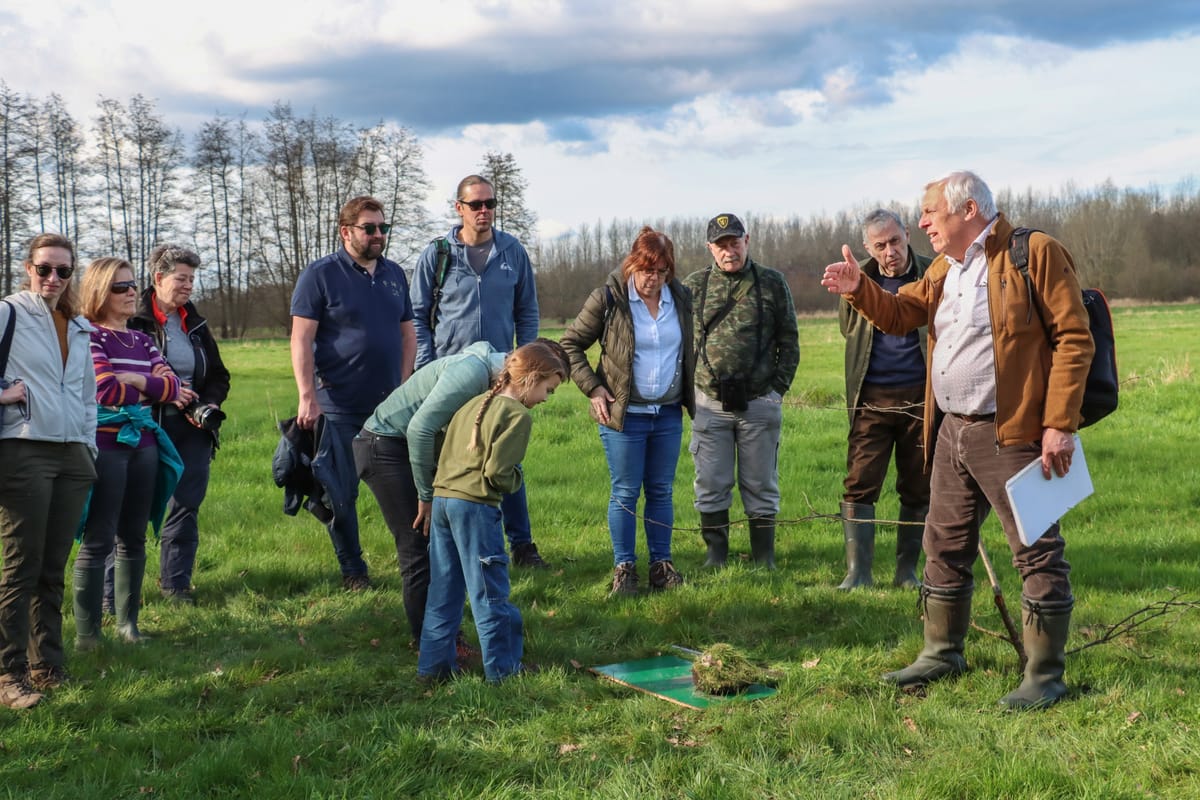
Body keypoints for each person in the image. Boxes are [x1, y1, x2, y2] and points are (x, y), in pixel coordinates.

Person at [820, 170, 1093, 710]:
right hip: (951, 431)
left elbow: (1073, 337)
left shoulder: (1033, 253)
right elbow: (903, 315)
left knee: (1037, 553)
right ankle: (942, 652)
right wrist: (861, 290)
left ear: (967, 210)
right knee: (942, 546)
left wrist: (1059, 424)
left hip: (1013, 433)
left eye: (929, 213)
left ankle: (1046, 676)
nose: (922, 223)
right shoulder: (945, 267)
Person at [410, 175, 548, 568]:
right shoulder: (437, 256)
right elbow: (417, 315)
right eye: (476, 205)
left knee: (507, 455)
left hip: (502, 375)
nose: (484, 211)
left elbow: (528, 310)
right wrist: (426, 362)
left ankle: (522, 545)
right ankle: (447, 545)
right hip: (453, 374)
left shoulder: (512, 251)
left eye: (490, 203)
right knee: (450, 457)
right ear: (459, 208)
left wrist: (528, 365)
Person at [416, 342, 565, 683]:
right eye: (548, 389)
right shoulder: (517, 415)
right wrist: (517, 478)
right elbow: (498, 472)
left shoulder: (473, 404)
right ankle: (504, 671)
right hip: (475, 508)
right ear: (530, 380)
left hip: (442, 501)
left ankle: (433, 670)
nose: (545, 398)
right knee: (490, 591)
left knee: (444, 592)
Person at [561, 226, 695, 596]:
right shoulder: (609, 298)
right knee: (625, 491)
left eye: (661, 271)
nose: (653, 279)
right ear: (632, 265)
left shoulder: (680, 299)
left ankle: (661, 566)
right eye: (646, 270)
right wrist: (593, 388)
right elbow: (570, 345)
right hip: (623, 415)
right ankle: (625, 569)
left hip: (667, 413)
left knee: (661, 491)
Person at [291, 196, 416, 590]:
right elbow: (301, 339)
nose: (379, 235)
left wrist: (404, 386)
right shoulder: (320, 275)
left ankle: (414, 564)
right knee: (341, 494)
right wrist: (307, 396)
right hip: (339, 405)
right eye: (370, 228)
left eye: (383, 228)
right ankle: (353, 570)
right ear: (346, 232)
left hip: (389, 407)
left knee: (404, 491)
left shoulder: (395, 273)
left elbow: (407, 332)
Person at [0, 234, 97, 707]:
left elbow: (85, 393)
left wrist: (88, 443)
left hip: (73, 455)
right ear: (28, 268)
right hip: (23, 449)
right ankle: (8, 675)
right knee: (22, 565)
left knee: (53, 568)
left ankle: (48, 665)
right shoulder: (8, 313)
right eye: (45, 269)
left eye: (63, 270)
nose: (53, 279)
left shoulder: (76, 323)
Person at [76, 258, 184, 649]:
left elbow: (174, 388)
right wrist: (149, 387)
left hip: (145, 445)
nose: (132, 292)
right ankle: (88, 635)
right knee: (99, 537)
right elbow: (104, 390)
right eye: (120, 287)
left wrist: (138, 379)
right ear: (99, 291)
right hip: (106, 445)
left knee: (134, 536)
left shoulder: (142, 339)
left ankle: (128, 626)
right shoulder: (88, 336)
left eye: (133, 284)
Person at [683, 214, 799, 569]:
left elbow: (789, 341)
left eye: (734, 242)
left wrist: (776, 391)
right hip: (708, 403)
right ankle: (715, 556)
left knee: (761, 484)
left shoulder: (772, 283)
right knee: (711, 483)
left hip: (760, 402)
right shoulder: (693, 286)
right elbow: (680, 343)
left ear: (747, 240)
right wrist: (689, 393)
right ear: (710, 249)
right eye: (721, 245)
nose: (729, 251)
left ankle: (764, 558)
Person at [125, 245, 230, 606]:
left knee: (185, 505)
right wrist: (165, 392)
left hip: (194, 431)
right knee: (133, 507)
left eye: (192, 279)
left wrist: (211, 401)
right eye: (181, 278)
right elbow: (122, 377)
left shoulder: (195, 323)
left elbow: (219, 375)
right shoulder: (133, 322)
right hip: (145, 428)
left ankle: (176, 586)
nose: (189, 286)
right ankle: (117, 592)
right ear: (158, 278)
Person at [837, 209, 932, 590]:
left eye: (895, 241)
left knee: (918, 485)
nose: (890, 251)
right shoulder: (856, 278)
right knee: (860, 483)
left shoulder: (934, 273)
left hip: (921, 399)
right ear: (868, 247)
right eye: (880, 245)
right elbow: (848, 329)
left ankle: (906, 572)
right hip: (871, 398)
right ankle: (858, 574)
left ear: (907, 234)